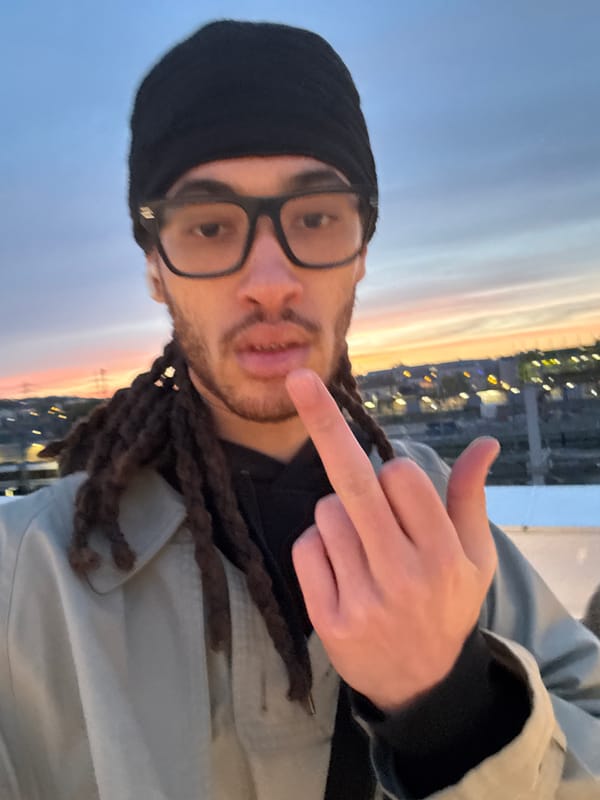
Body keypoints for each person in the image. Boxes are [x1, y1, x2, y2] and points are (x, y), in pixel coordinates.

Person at [0, 20, 599, 800]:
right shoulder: (27, 572)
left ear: (362, 252)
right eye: (210, 227)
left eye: (315, 217)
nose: (270, 281)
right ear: (154, 267)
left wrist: (453, 710)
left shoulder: (436, 510)